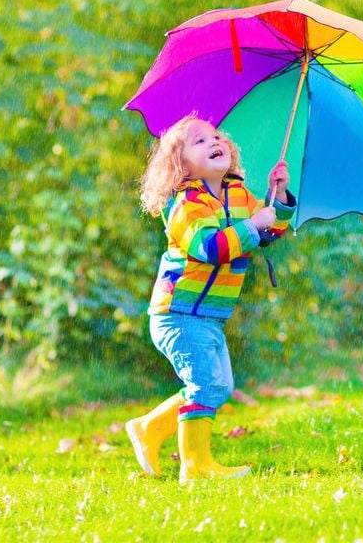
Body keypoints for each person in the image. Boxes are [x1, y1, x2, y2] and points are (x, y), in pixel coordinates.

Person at [125, 115, 294, 482]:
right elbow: (210, 248)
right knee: (205, 385)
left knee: (218, 387)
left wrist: (278, 199)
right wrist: (254, 224)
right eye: (199, 141)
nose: (214, 141)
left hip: (208, 314)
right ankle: (195, 466)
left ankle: (150, 428)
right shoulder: (185, 204)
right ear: (179, 163)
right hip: (178, 312)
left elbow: (268, 235)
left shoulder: (238, 194)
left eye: (216, 136)